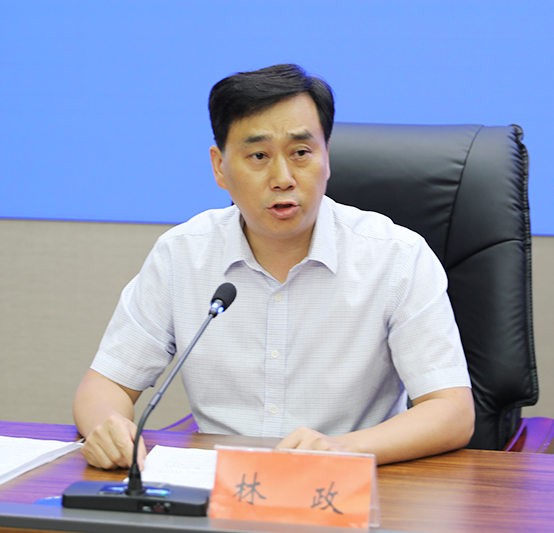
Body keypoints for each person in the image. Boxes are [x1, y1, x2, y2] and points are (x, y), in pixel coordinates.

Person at [73, 64, 475, 471]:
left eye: (301, 153)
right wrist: (107, 425)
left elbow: (452, 410)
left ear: (327, 157)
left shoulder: (397, 257)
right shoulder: (182, 255)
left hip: (351, 486)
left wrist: (343, 449)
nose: (283, 178)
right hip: (220, 488)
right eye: (259, 156)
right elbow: (105, 385)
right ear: (219, 167)